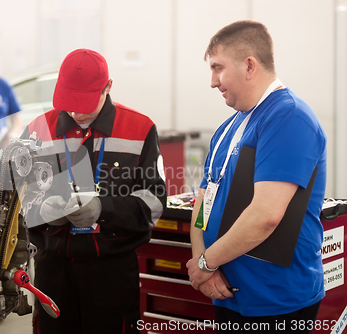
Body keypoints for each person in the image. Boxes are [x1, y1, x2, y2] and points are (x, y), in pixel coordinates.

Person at [186, 20, 326, 333]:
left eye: (218, 68)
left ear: (249, 65)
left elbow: (266, 215)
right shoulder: (228, 129)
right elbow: (203, 201)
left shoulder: (288, 117)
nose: (212, 82)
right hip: (227, 293)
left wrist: (206, 263)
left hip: (277, 302)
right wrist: (202, 263)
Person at [21, 49, 166, 334]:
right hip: (53, 273)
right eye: (68, 101)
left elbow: (155, 203)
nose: (75, 111)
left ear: (108, 87)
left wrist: (103, 208)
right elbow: (19, 200)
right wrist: (43, 212)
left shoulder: (139, 129)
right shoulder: (38, 130)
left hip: (111, 273)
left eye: (84, 102)